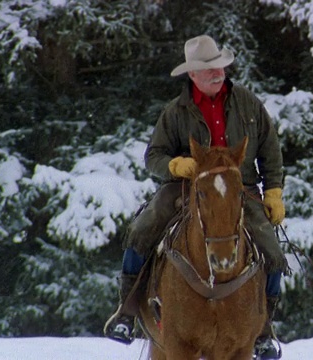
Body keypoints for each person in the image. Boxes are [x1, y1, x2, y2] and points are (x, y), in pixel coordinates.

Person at [104, 34, 288, 359]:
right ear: (192, 75)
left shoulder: (248, 104)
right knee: (143, 228)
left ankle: (263, 331)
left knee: (272, 252)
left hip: (238, 187)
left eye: (219, 67)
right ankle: (127, 312)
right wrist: (176, 164)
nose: (218, 73)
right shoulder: (175, 112)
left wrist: (273, 192)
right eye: (209, 70)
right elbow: (153, 155)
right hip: (188, 185)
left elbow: (270, 151)